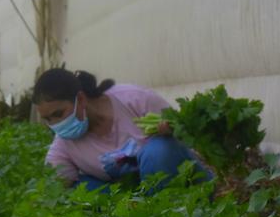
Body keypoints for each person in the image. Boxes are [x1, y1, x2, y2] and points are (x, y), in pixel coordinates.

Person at [33, 68, 212, 193]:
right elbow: (54, 188)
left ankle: (171, 210)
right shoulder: (64, 144)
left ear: (80, 99)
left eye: (58, 114)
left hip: (183, 185)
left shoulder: (133, 99)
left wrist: (171, 130)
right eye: (48, 119)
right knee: (81, 189)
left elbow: (189, 135)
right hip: (132, 201)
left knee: (159, 150)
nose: (56, 124)